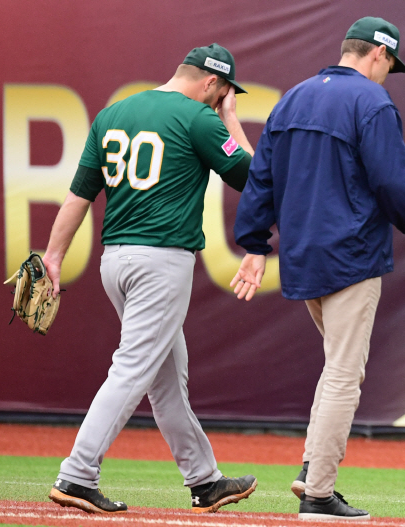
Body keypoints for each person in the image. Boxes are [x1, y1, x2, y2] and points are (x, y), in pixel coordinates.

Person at [231, 16, 405, 521]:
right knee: (346, 373)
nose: (389, 73)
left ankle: (312, 468)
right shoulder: (370, 101)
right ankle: (319, 495)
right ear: (378, 54)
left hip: (302, 255)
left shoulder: (294, 97)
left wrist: (255, 243)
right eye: (390, 63)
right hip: (350, 254)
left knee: (338, 366)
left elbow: (261, 177)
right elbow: (393, 182)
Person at [42, 44, 258, 514]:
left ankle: (205, 480)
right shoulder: (200, 119)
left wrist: (53, 255)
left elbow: (80, 193)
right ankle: (77, 475)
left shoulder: (114, 113)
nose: (221, 99)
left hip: (115, 262)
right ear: (211, 82)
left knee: (165, 379)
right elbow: (255, 177)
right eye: (223, 91)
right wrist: (233, 121)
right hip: (160, 262)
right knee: (133, 369)